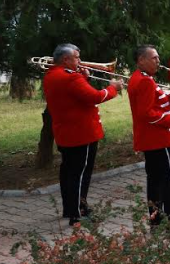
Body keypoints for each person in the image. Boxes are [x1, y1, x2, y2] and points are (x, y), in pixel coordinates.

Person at [42, 44, 123, 225]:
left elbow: (75, 96)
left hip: (65, 133)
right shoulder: (71, 77)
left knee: (68, 172)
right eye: (77, 58)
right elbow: (95, 97)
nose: (80, 61)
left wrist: (83, 78)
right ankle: (78, 213)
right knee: (80, 175)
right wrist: (113, 88)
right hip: (82, 134)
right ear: (66, 60)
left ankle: (69, 209)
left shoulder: (51, 75)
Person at [128, 45, 170, 225]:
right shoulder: (145, 81)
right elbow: (146, 114)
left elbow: (155, 104)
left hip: (151, 139)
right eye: (154, 58)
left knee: (155, 182)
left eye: (158, 58)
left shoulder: (141, 77)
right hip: (158, 139)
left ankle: (156, 219)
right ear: (141, 60)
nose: (158, 61)